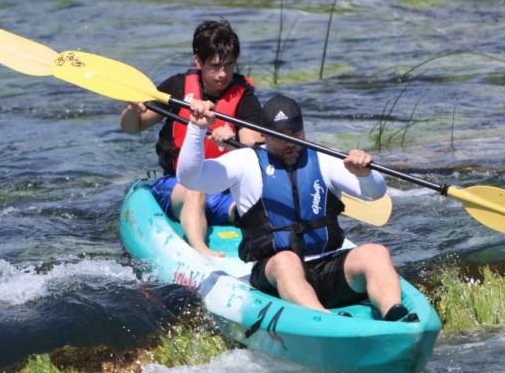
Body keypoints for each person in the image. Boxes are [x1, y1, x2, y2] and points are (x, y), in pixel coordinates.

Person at [176, 94, 415, 321]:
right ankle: (325, 320)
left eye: (295, 133)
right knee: (286, 261)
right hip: (275, 274)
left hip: (327, 263)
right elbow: (191, 178)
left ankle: (396, 315)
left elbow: (374, 193)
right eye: (280, 136)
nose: (290, 142)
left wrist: (365, 174)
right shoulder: (245, 162)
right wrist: (197, 129)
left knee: (375, 252)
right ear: (264, 135)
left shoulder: (322, 159)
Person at [119, 19, 262, 257]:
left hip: (223, 190)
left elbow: (253, 146)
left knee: (256, 204)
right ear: (198, 61)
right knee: (196, 187)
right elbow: (133, 127)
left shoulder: (243, 96)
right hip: (178, 186)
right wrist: (132, 112)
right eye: (214, 66)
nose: (223, 74)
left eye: (229, 65)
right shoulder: (177, 87)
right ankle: (200, 251)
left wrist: (229, 144)